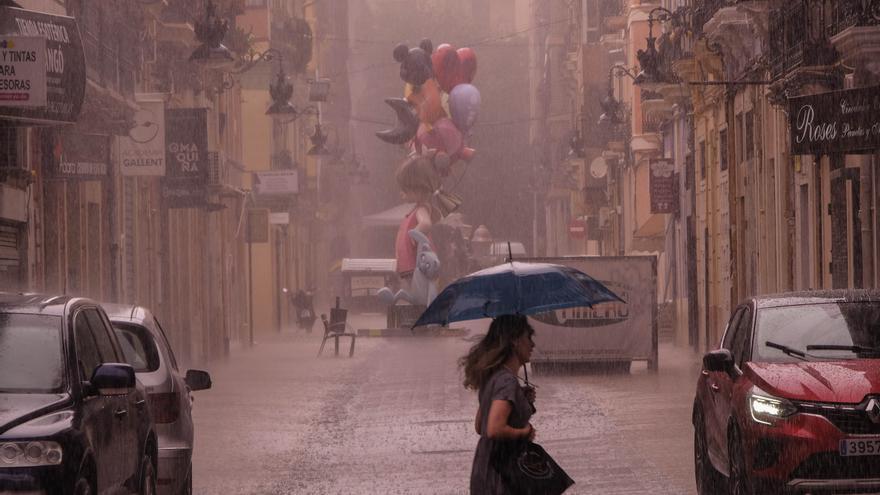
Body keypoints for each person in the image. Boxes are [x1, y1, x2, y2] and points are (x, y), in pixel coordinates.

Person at [459, 314, 537, 494]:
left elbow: (480, 426)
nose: (532, 345)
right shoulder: (506, 381)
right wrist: (524, 432)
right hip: (502, 471)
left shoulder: (493, 377)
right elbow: (494, 428)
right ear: (515, 341)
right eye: (528, 338)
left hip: (485, 467)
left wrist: (519, 398)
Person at [394, 155, 441, 280]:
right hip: (411, 266)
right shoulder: (416, 210)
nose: (401, 193)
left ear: (418, 188)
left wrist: (415, 236)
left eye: (405, 189)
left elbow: (425, 224)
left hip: (417, 263)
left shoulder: (421, 209)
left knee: (418, 291)